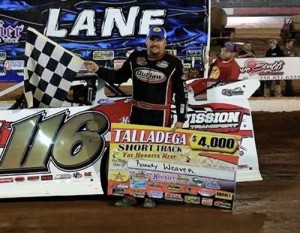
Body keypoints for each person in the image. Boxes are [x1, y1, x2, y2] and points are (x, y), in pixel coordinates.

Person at [85, 26, 188, 208]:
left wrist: (181, 117)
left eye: (159, 40)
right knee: (131, 155)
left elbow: (181, 93)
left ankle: (151, 195)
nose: (155, 43)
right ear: (146, 41)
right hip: (137, 113)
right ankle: (130, 194)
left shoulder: (174, 63)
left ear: (165, 42)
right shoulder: (135, 58)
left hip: (160, 115)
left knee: (153, 157)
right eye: (152, 39)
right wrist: (98, 69)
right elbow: (118, 77)